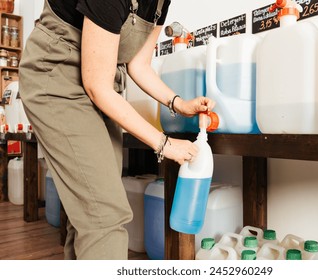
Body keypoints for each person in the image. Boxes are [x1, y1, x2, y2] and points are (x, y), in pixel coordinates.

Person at [19, 0, 215, 260]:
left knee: (91, 209)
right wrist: (164, 144)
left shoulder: (160, 2)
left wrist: (179, 104)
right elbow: (96, 86)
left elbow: (138, 64)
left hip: (102, 84)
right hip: (56, 75)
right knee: (104, 215)